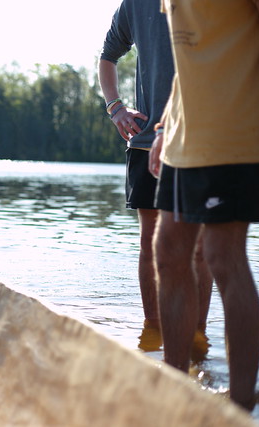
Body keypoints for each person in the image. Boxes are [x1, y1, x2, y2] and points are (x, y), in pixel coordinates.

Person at [149, 0, 259, 410]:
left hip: (235, 126)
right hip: (185, 133)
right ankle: (174, 388)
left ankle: (239, 406)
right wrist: (166, 125)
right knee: (168, 252)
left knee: (222, 256)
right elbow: (192, 55)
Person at [98, 0, 212, 338]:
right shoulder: (134, 4)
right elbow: (108, 56)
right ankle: (152, 334)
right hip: (146, 141)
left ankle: (197, 337)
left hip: (202, 138)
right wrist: (115, 107)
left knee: (201, 248)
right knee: (150, 243)